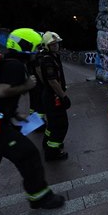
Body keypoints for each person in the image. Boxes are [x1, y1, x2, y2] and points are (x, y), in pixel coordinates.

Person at [0, 28, 65, 215]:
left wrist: (15, 114)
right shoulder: (15, 66)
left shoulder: (5, 62)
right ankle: (40, 197)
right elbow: (2, 92)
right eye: (35, 47)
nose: (37, 51)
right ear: (25, 47)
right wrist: (27, 86)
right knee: (28, 154)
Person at [36, 31, 71, 161]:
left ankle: (48, 143)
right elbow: (52, 80)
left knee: (52, 124)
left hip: (49, 95)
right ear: (47, 46)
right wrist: (63, 97)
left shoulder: (48, 56)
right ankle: (53, 152)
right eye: (53, 44)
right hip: (54, 97)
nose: (56, 46)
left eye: (57, 43)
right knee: (61, 125)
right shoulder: (48, 60)